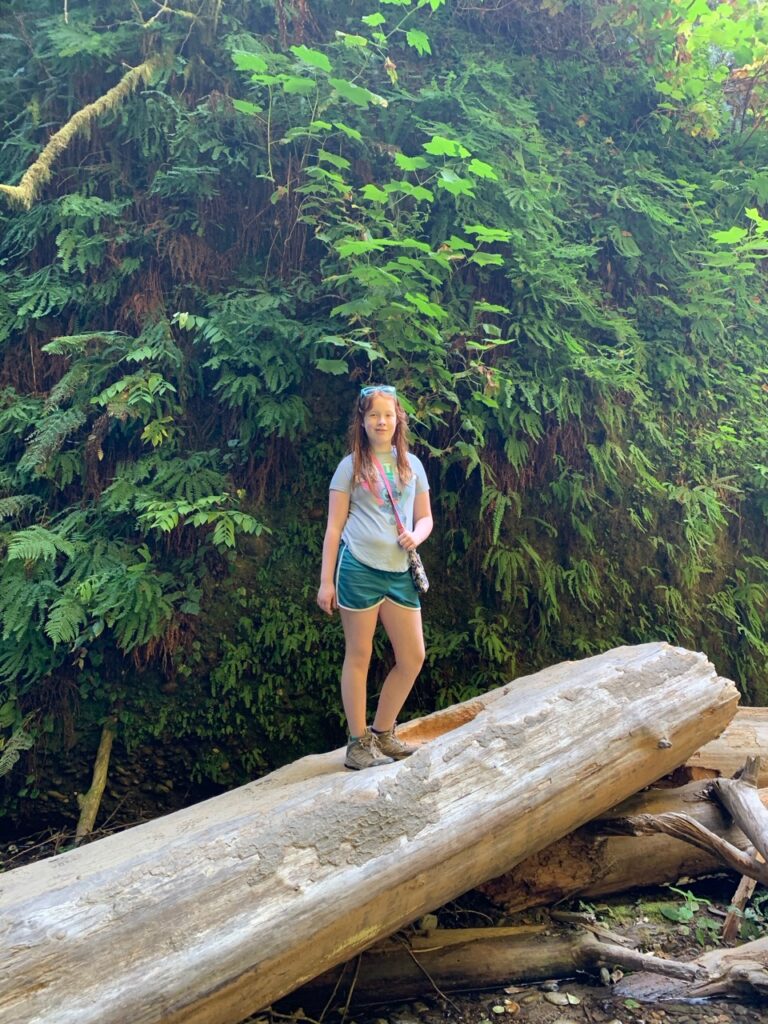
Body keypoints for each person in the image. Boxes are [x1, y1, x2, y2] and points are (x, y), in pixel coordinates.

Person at [317, 385, 433, 770]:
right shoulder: (349, 466)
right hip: (359, 568)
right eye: (373, 416)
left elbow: (425, 516)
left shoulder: (412, 464)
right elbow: (334, 528)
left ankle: (383, 732)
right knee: (360, 654)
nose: (381, 421)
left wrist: (416, 535)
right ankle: (356, 743)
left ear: (398, 418)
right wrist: (326, 582)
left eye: (387, 414)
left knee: (413, 656)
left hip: (399, 570)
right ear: (362, 422)